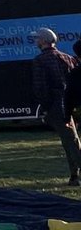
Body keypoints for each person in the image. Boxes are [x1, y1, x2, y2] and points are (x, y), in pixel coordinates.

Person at [32, 27, 81, 184]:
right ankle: (74, 176)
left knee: (70, 141)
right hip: (73, 103)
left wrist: (46, 108)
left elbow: (41, 88)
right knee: (72, 139)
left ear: (44, 40)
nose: (35, 41)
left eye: (37, 38)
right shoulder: (68, 58)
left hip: (56, 104)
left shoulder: (40, 61)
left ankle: (76, 174)